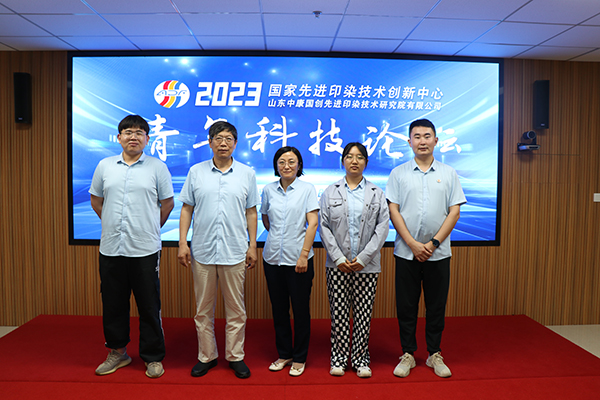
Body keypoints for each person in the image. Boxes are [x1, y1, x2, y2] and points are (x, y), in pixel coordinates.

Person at [90, 114, 174, 379]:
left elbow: (167, 204)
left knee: (149, 304)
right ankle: (118, 352)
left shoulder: (157, 167)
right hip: (111, 248)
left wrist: (148, 227)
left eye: (139, 132)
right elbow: (96, 200)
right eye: (128, 132)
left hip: (145, 249)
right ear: (119, 137)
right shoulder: (105, 166)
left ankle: (153, 357)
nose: (133, 137)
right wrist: (113, 223)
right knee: (113, 303)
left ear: (147, 139)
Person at [178, 120, 259, 379]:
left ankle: (235, 356)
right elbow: (187, 208)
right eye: (218, 138)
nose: (223, 143)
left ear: (235, 143)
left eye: (228, 139)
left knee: (236, 309)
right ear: (210, 142)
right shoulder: (196, 172)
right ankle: (207, 356)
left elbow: (251, 211)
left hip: (235, 250)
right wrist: (182, 243)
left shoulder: (247, 173)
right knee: (203, 309)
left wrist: (253, 245)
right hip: (202, 250)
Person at [386, 118, 466, 379]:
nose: (422, 141)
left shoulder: (449, 173)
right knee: (406, 306)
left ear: (436, 140)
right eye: (417, 136)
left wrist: (433, 244)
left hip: (438, 253)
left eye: (427, 136)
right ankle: (408, 353)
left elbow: (454, 212)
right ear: (409, 141)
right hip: (405, 252)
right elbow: (393, 210)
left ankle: (434, 353)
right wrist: (411, 243)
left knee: (436, 305)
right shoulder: (398, 173)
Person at [319, 142, 389, 378]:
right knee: (338, 314)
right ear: (343, 161)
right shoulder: (330, 191)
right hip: (337, 265)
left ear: (366, 162)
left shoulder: (377, 193)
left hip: (367, 266)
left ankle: (361, 360)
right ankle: (338, 359)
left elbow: (382, 227)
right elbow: (324, 227)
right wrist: (338, 258)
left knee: (363, 315)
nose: (354, 161)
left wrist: (364, 258)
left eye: (359, 157)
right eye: (349, 156)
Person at [261, 146, 319, 377]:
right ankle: (284, 354)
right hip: (273, 258)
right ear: (276, 165)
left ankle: (300, 357)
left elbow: (313, 223)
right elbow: (266, 219)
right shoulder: (268, 189)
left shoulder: (307, 189)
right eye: (282, 162)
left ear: (299, 165)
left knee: (301, 310)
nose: (286, 166)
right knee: (279, 310)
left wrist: (303, 254)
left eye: (291, 161)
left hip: (299, 259)